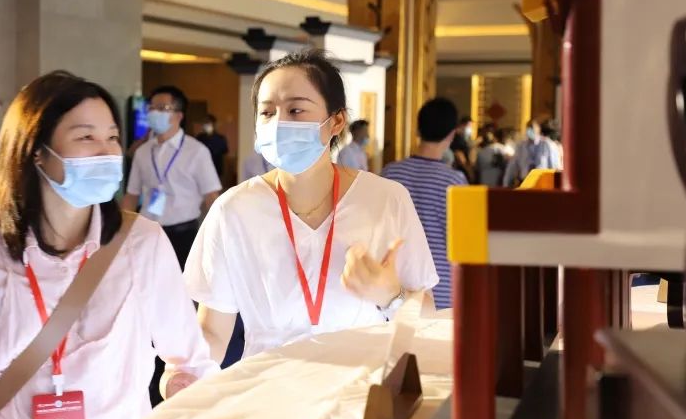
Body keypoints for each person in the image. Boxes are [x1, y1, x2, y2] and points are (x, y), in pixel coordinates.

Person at [0, 71, 216, 419]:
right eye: (86, 137)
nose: (106, 151)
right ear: (37, 151)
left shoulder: (141, 243)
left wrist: (180, 387)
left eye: (112, 137)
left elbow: (189, 359)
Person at [186, 49, 438, 364]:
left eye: (296, 110)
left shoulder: (386, 199)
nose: (279, 123)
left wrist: (390, 294)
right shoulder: (234, 209)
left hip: (360, 381)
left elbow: (428, 318)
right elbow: (212, 330)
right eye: (267, 112)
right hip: (268, 382)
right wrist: (181, 371)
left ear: (336, 121)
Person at [381, 98, 468, 310]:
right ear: (452, 134)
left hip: (394, 288)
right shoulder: (454, 181)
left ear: (418, 130)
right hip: (441, 290)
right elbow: (463, 245)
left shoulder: (390, 173)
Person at [121, 85, 222, 269]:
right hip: (148, 232)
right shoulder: (142, 152)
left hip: (184, 234)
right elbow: (131, 195)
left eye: (162, 108)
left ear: (179, 115)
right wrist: (121, 231)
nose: (154, 113)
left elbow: (211, 197)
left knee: (183, 285)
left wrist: (216, 237)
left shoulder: (197, 151)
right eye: (151, 108)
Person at [503, 119, 561, 187]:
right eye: (528, 128)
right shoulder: (521, 146)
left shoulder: (547, 144)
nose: (530, 130)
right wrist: (506, 184)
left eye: (532, 127)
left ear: (538, 129)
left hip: (543, 183)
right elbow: (512, 166)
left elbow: (555, 166)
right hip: (525, 182)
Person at [196, 113, 229, 179]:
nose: (206, 125)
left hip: (216, 169)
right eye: (204, 123)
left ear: (214, 124)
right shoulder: (199, 138)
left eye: (208, 123)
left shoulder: (220, 138)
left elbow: (225, 151)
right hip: (201, 169)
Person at [450, 115, 475, 182]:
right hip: (460, 167)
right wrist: (468, 170)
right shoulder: (456, 137)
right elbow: (459, 154)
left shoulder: (465, 138)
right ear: (462, 125)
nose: (470, 128)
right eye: (468, 126)